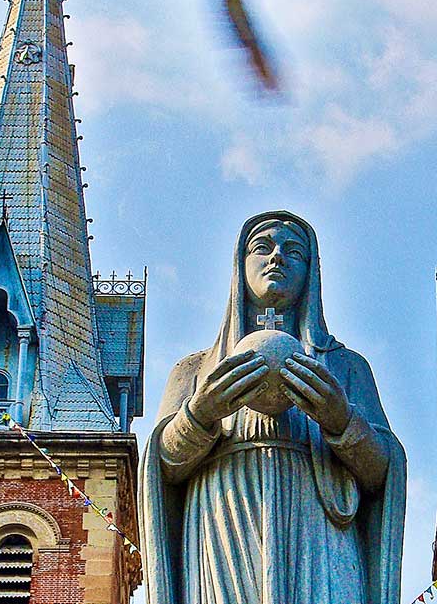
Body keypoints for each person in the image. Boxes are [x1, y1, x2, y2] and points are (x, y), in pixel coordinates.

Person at [139, 211, 406, 604]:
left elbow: (383, 472)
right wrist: (200, 415)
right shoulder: (195, 370)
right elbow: (161, 467)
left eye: (294, 251)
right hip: (224, 520)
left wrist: (341, 420)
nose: (277, 257)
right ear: (239, 265)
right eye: (262, 247)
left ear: (311, 271)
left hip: (318, 529)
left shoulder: (346, 366)